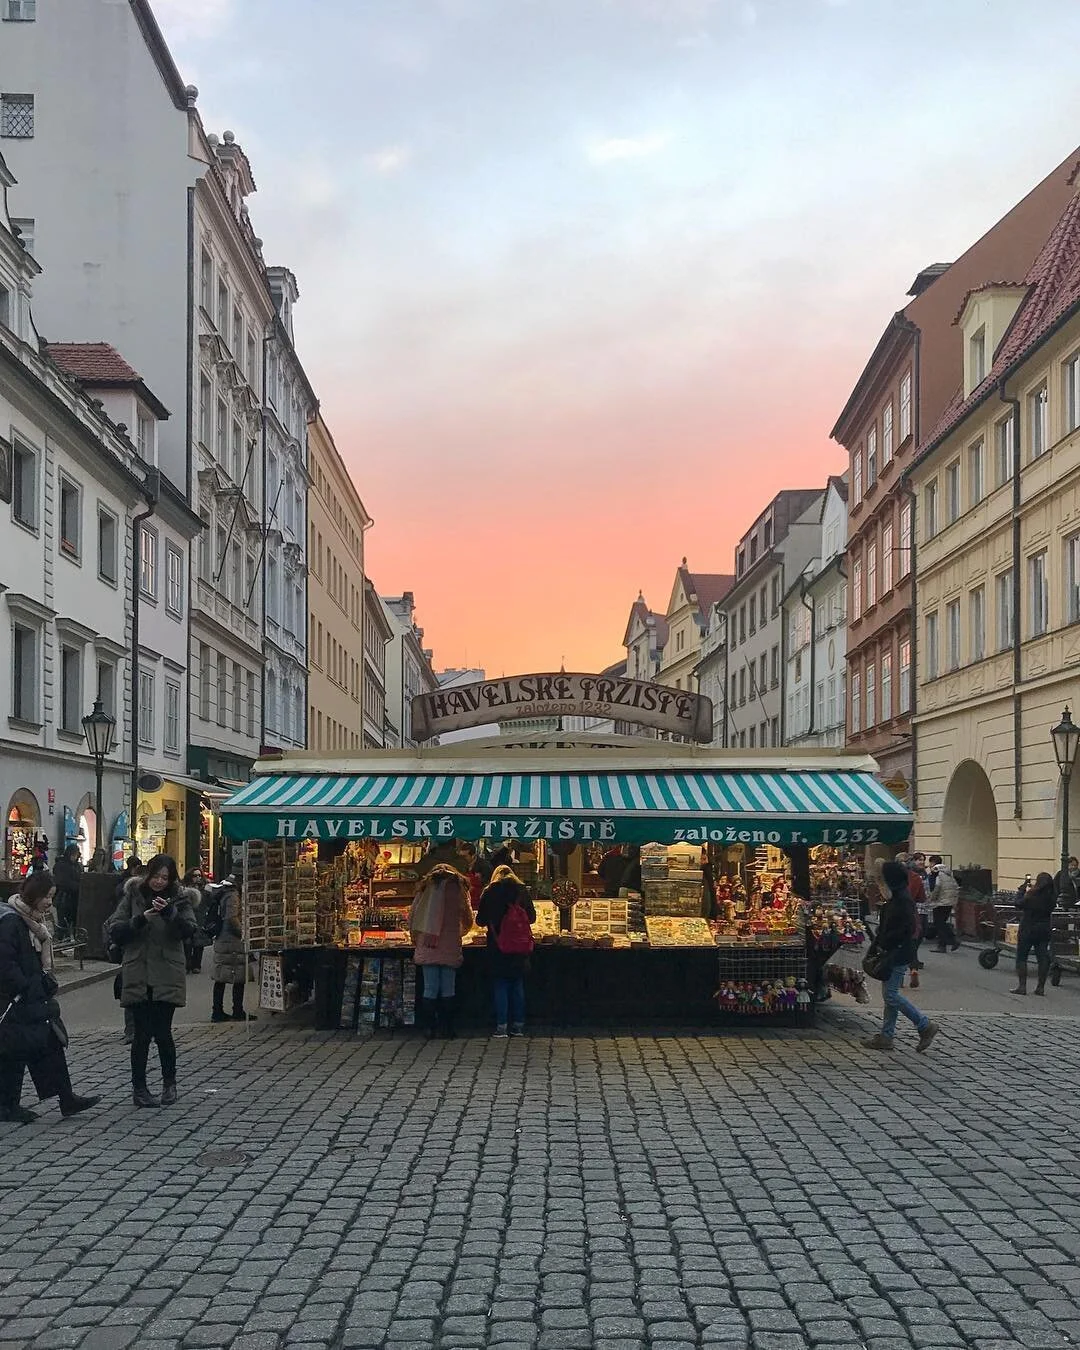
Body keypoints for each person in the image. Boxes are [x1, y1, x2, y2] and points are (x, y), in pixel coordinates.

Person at [0, 871, 99, 1124]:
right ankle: (9, 1105)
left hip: (29, 997)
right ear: (34, 895)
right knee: (17, 1052)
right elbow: (6, 963)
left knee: (46, 1043)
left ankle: (65, 1098)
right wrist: (26, 988)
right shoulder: (13, 922)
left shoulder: (30, 922)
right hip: (16, 1000)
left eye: (51, 897)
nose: (49, 903)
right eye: (46, 897)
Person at [107, 853, 198, 1107]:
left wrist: (170, 913)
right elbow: (115, 927)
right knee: (141, 1035)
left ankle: (170, 1084)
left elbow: (190, 931)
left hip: (167, 972)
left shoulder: (180, 898)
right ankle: (140, 1089)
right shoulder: (133, 894)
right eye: (156, 876)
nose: (159, 881)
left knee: (163, 1033)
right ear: (147, 875)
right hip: (138, 971)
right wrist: (139, 920)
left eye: (164, 877)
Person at [863, 859, 940, 1054]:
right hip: (895, 951)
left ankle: (924, 1025)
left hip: (897, 952)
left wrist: (885, 941)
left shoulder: (901, 901)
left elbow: (905, 929)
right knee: (890, 995)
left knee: (891, 995)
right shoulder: (898, 898)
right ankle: (886, 1036)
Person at [409, 866, 473, 1039]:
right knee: (448, 988)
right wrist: (461, 931)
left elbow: (413, 915)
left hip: (427, 943)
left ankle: (429, 1028)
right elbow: (467, 918)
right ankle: (448, 1028)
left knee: (430, 988)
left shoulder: (425, 889)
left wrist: (415, 936)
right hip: (450, 943)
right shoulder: (458, 889)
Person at [476, 864, 536, 1038]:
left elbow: (480, 920)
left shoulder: (489, 892)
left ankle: (501, 1026)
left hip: (497, 945)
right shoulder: (522, 891)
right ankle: (518, 1025)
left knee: (500, 984)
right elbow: (532, 918)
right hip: (520, 946)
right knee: (517, 984)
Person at [210, 876, 255, 1023]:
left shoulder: (224, 893)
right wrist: (243, 933)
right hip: (231, 941)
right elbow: (231, 918)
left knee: (222, 976)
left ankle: (219, 1010)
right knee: (238, 976)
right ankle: (234, 1010)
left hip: (224, 940)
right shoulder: (233, 895)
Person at [1012, 871, 1057, 996]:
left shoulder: (1031, 895)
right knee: (1042, 958)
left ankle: (1022, 987)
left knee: (1022, 957)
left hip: (1028, 928)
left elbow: (1018, 903)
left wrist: (1022, 889)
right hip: (1043, 930)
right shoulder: (1051, 898)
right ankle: (1040, 987)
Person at [927, 855, 961, 953]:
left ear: (933, 863)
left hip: (941, 901)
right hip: (949, 901)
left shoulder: (936, 872)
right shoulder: (947, 872)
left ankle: (952, 940)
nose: (929, 865)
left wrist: (931, 898)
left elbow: (936, 887)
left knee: (939, 923)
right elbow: (955, 886)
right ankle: (943, 944)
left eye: (930, 863)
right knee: (941, 922)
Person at [52, 844, 83, 937]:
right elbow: (62, 882)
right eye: (73, 854)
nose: (75, 857)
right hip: (64, 898)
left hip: (75, 898)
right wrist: (78, 886)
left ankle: (71, 937)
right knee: (63, 922)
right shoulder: (61, 865)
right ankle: (62, 939)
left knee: (75, 921)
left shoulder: (77, 865)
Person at [183, 867, 209, 974]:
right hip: (188, 917)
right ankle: (187, 964)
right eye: (195, 875)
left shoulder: (205, 891)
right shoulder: (184, 890)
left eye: (199, 875)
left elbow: (209, 904)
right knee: (187, 943)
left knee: (199, 943)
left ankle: (196, 965)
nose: (198, 878)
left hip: (200, 918)